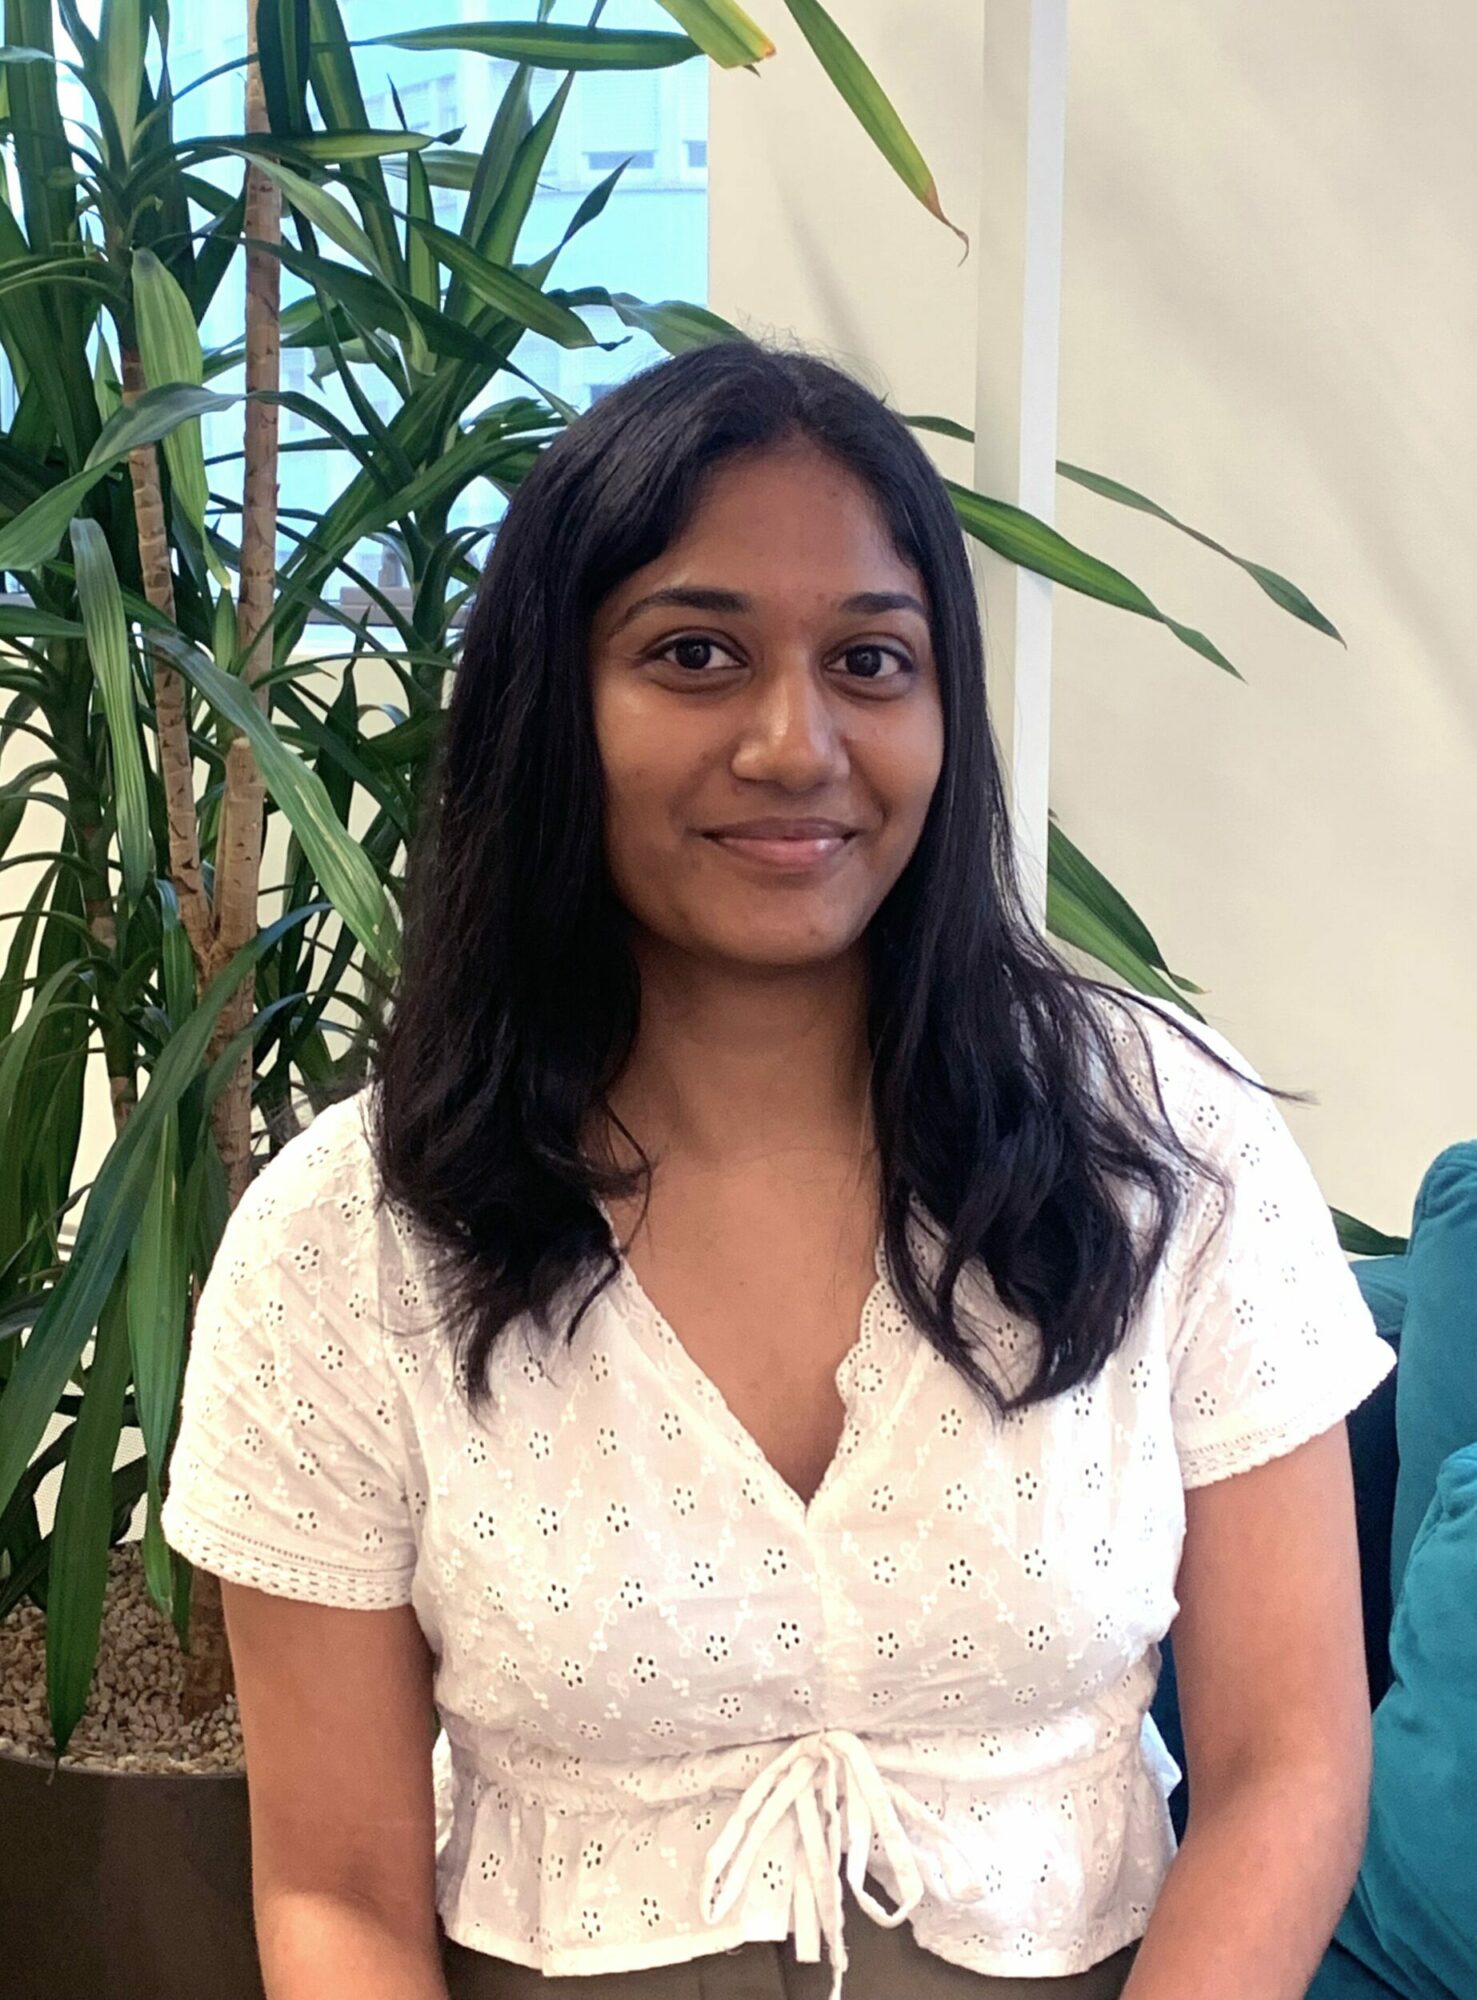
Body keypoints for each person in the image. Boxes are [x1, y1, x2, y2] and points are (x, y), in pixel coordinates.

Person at [160, 339, 1396, 2000]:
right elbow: (337, 1893)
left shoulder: (1163, 1144)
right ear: (549, 705)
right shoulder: (347, 1241)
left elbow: (1285, 1766)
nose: (794, 742)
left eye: (871, 661)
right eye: (694, 654)